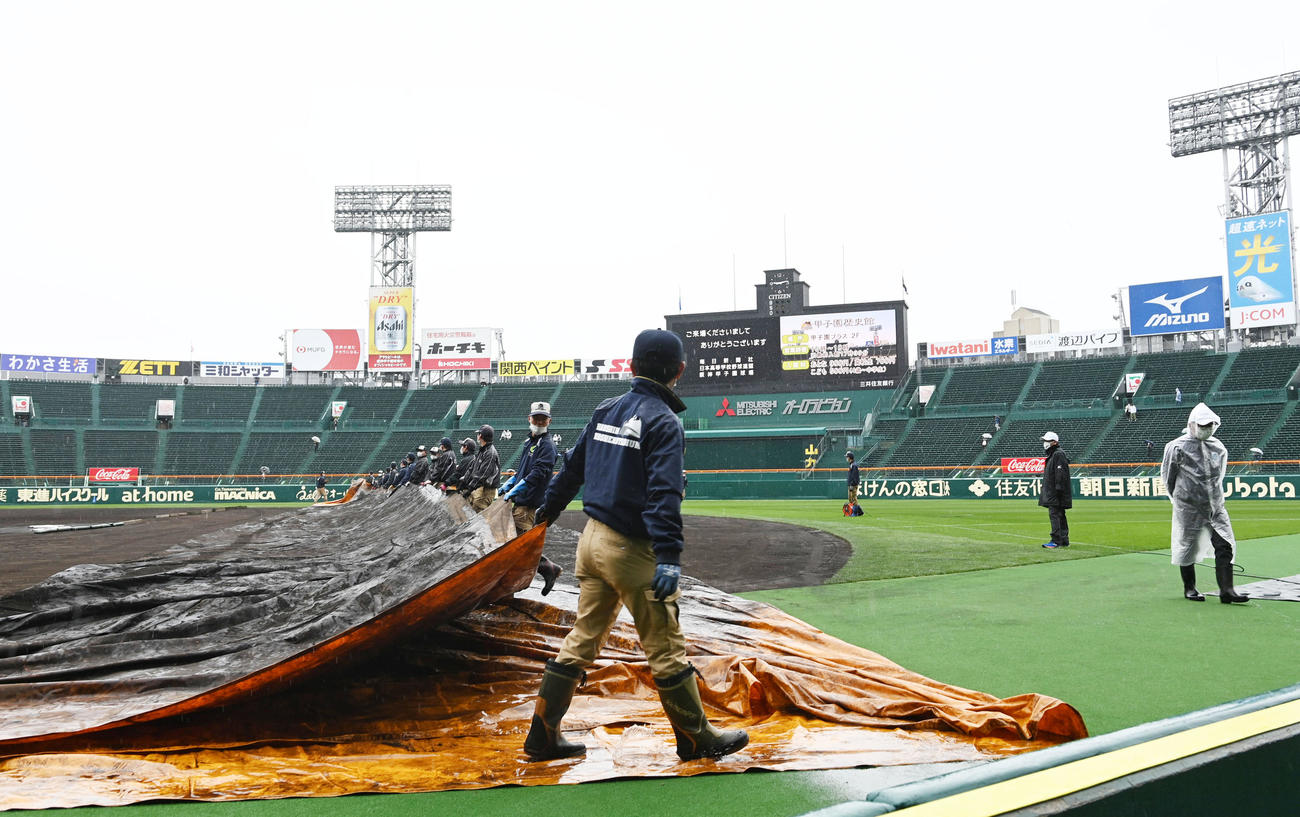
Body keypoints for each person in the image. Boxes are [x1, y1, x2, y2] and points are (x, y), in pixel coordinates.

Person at [523, 329, 748, 763]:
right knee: (665, 647)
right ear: (679, 371)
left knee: (582, 640)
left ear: (631, 366)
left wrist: (542, 521)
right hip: (632, 551)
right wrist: (668, 556)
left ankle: (542, 736)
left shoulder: (606, 408)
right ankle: (696, 738)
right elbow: (665, 494)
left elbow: (570, 472)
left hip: (591, 543)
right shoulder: (665, 422)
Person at [1161, 403, 1249, 604]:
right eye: (1202, 425)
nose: (1206, 428)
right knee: (1188, 547)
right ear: (1192, 424)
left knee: (1225, 544)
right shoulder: (1176, 447)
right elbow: (1168, 478)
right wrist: (1180, 500)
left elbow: (1220, 476)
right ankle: (1189, 588)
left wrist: (1215, 498)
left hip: (1215, 507)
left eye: (1210, 424)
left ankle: (1227, 590)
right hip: (1189, 507)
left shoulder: (1218, 447)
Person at [498, 401, 562, 594]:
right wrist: (508, 484)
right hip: (521, 501)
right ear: (529, 418)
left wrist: (516, 489)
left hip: (528, 505)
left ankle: (543, 569)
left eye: (543, 419)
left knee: (520, 546)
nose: (539, 422)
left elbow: (537, 475)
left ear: (549, 421)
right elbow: (522, 471)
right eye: (536, 418)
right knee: (519, 544)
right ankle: (545, 569)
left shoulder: (548, 446)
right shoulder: (530, 442)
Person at [1039, 432, 1071, 548]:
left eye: (1048, 441)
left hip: (1056, 492)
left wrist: (1058, 488)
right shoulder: (1054, 455)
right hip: (1055, 491)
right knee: (1060, 514)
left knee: (1055, 514)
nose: (1045, 443)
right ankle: (1063, 540)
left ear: (1055, 442)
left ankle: (1056, 540)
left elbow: (1060, 473)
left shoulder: (1058, 454)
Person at [461, 425, 501, 512]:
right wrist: (464, 480)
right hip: (480, 487)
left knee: (478, 510)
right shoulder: (483, 450)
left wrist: (470, 488)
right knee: (470, 509)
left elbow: (483, 474)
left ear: (481, 436)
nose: (477, 436)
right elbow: (473, 468)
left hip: (487, 489)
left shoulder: (490, 453)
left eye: (478, 434)